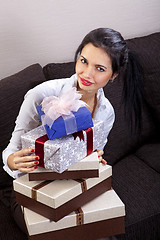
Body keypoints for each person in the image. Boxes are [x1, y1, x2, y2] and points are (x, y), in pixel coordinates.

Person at [2, 28, 143, 234]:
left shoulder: (107, 112)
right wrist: (12, 160)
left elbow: (92, 155)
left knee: (102, 230)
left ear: (113, 75)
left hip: (71, 186)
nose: (87, 74)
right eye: (84, 61)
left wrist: (95, 159)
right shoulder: (41, 95)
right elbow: (10, 151)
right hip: (29, 188)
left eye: (100, 68)